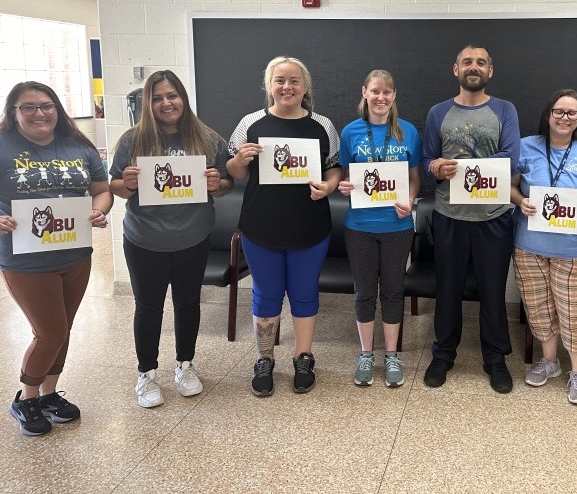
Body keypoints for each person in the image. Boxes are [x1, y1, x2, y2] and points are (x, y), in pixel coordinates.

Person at [109, 70, 233, 409]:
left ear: (183, 99)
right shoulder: (132, 141)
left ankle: (185, 365)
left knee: (188, 304)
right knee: (148, 307)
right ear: (148, 102)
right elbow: (115, 188)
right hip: (144, 239)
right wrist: (128, 183)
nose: (166, 103)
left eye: (172, 96)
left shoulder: (208, 138)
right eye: (158, 97)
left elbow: (226, 185)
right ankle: (146, 372)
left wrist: (216, 185)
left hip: (192, 237)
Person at [0, 82, 112, 436]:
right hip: (25, 258)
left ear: (57, 109)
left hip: (75, 253)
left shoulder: (78, 145)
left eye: (46, 105)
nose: (39, 113)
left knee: (64, 328)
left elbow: (102, 190)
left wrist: (98, 211)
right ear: (13, 112)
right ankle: (26, 398)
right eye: (28, 107)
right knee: (50, 331)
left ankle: (49, 394)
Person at [227, 56, 341, 396]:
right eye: (280, 80)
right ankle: (265, 359)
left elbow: (335, 167)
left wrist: (330, 186)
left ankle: (303, 357)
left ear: (305, 87)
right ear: (268, 85)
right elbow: (234, 172)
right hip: (261, 227)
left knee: (304, 294)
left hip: (310, 227)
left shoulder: (323, 125)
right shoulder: (250, 123)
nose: (286, 87)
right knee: (266, 294)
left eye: (294, 81)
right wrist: (238, 160)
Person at [422, 44, 520, 393]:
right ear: (456, 69)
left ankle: (495, 358)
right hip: (449, 215)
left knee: (493, 292)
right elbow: (426, 160)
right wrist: (434, 166)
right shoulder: (438, 112)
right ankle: (443, 354)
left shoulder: (505, 110)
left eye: (480, 62)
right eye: (467, 62)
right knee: (447, 289)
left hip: (493, 217)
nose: (473, 67)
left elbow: (512, 158)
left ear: (489, 71)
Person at [511, 89, 577, 405]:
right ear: (548, 114)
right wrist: (521, 200)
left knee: (574, 313)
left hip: (576, 248)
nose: (564, 118)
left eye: (572, 113)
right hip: (530, 246)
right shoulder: (526, 146)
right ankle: (550, 362)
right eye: (559, 111)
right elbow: (511, 186)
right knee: (539, 309)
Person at [337, 70, 421, 388]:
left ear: (394, 95)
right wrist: (345, 187)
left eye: (387, 92)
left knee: (393, 291)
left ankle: (392, 356)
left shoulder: (407, 132)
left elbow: (415, 177)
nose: (381, 97)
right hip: (359, 226)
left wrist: (411, 200)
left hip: (397, 225)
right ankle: (366, 354)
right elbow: (348, 177)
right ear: (365, 93)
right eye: (375, 91)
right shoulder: (350, 132)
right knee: (364, 293)